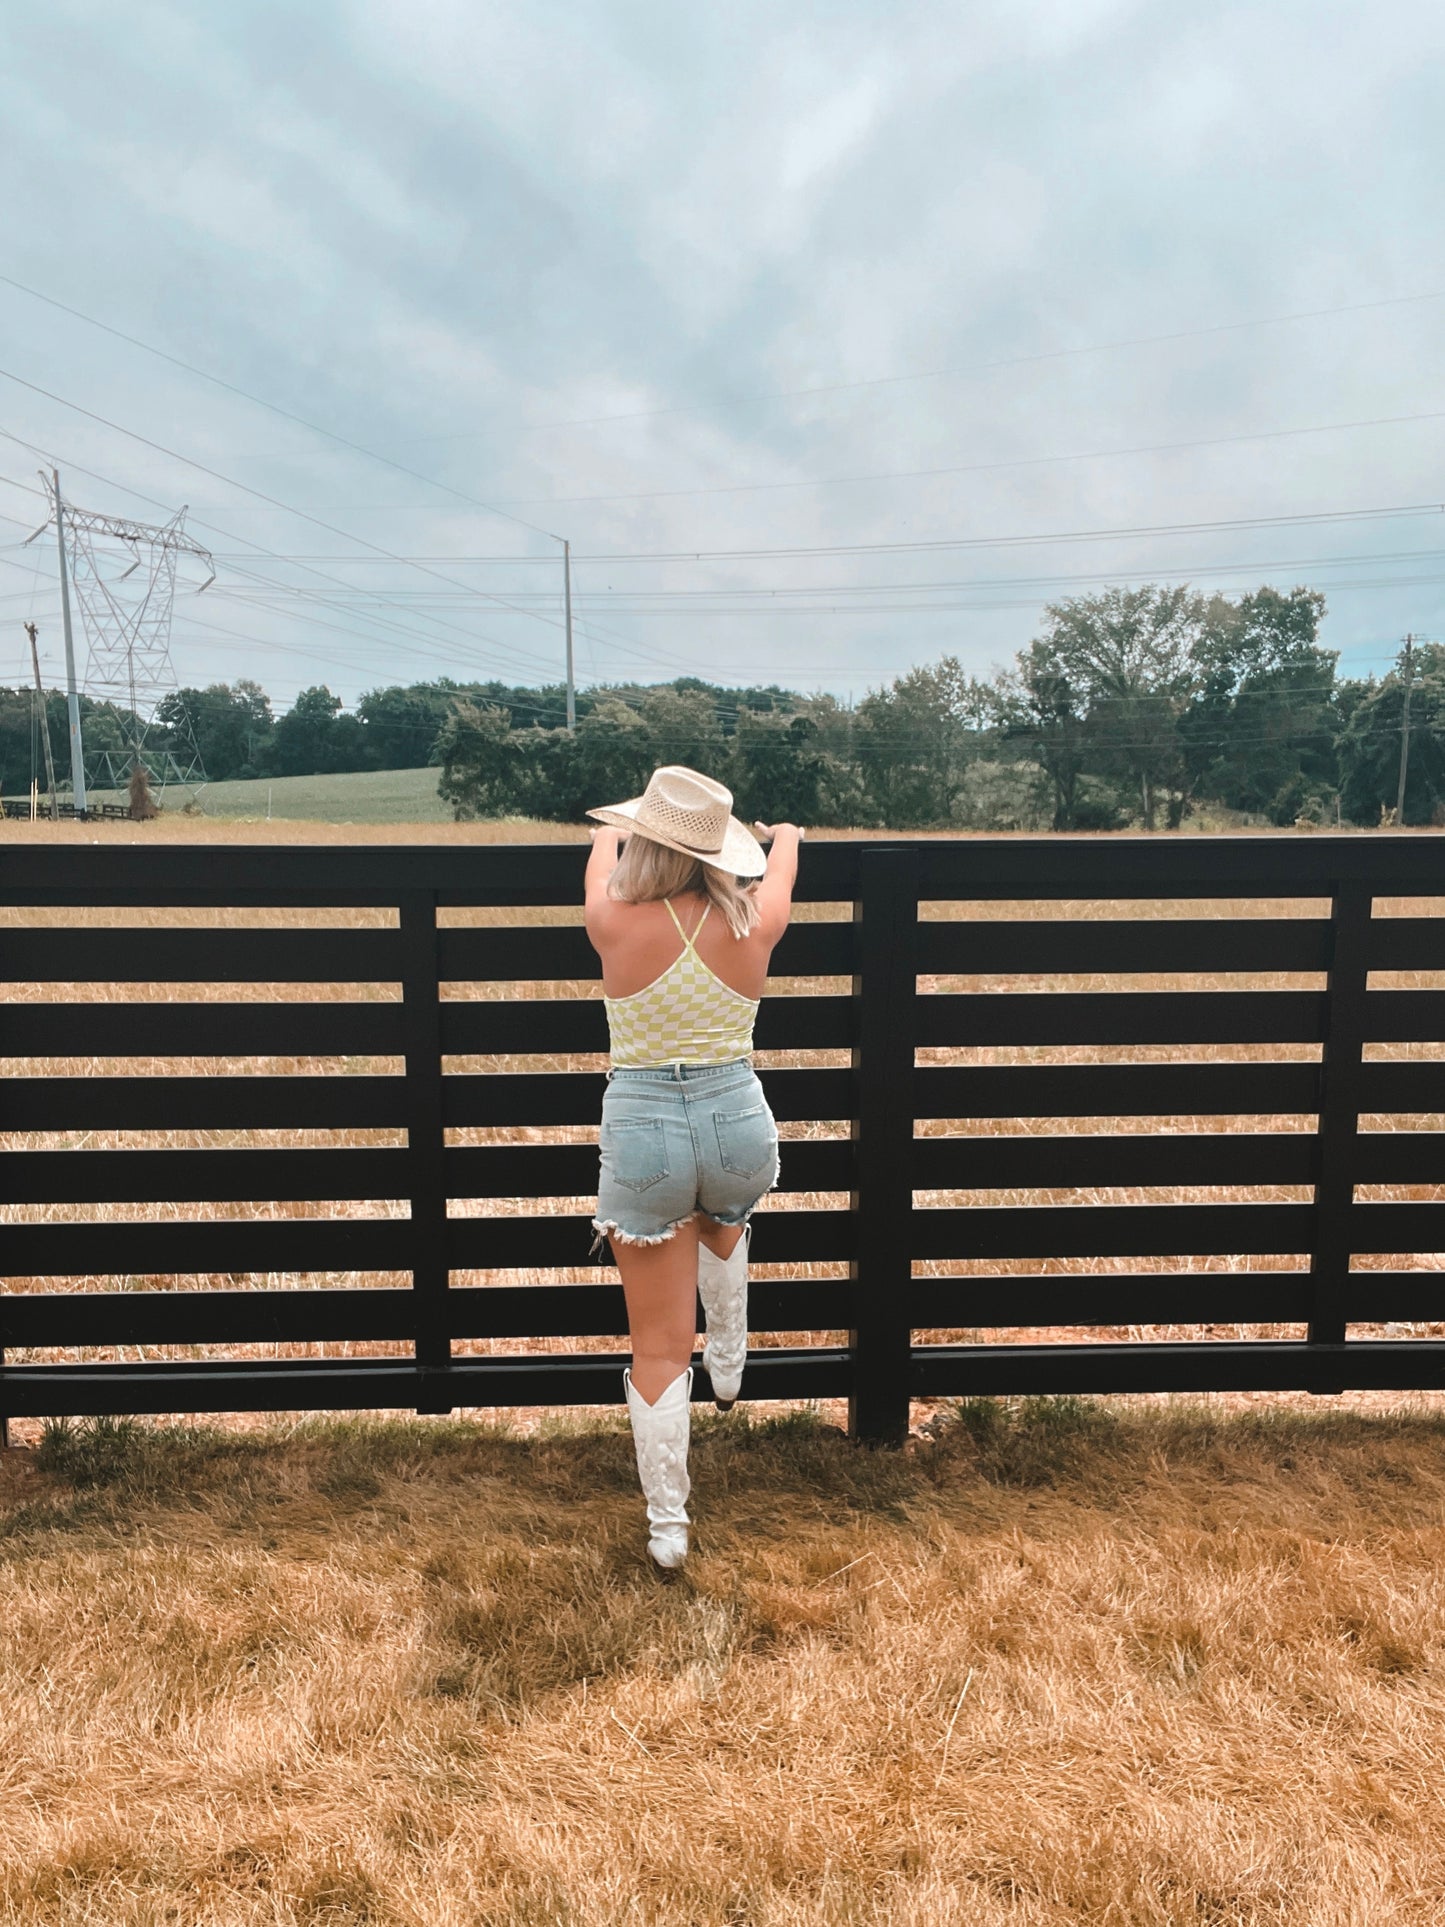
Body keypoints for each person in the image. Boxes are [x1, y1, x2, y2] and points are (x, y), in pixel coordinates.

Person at [584, 765, 802, 1572]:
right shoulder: (754, 920)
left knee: (657, 1347)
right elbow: (779, 867)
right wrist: (785, 841)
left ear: (645, 839)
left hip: (642, 1129)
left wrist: (613, 831)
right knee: (726, 1214)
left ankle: (668, 1525)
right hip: (735, 1120)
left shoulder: (610, 917)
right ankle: (733, 1359)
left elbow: (602, 855)